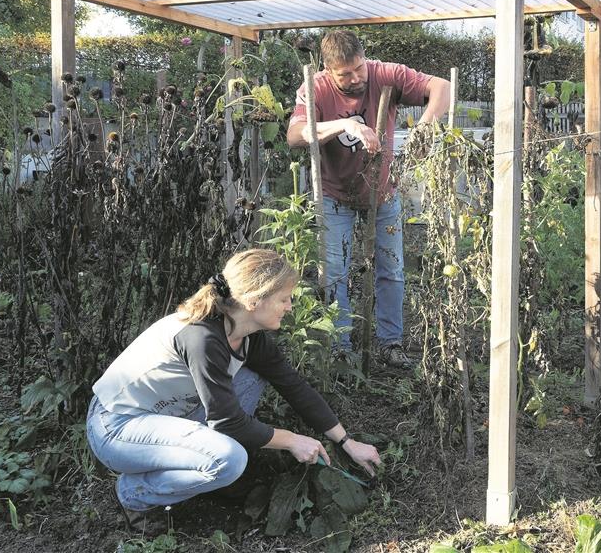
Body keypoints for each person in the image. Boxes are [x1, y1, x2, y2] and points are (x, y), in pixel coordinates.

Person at [85, 249, 382, 532]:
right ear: (255, 301)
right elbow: (227, 422)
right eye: (284, 299)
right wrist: (291, 440)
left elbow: (293, 386)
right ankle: (136, 494)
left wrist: (346, 442)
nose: (290, 306)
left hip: (165, 414)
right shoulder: (202, 338)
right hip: (116, 427)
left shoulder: (246, 335)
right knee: (229, 459)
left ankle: (203, 470)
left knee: (252, 377)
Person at [286, 30, 451, 369]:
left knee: (391, 270)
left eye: (358, 68)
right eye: (344, 74)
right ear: (328, 70)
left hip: (384, 193)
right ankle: (340, 349)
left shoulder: (384, 73)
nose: (355, 78)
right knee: (334, 273)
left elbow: (441, 87)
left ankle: (391, 344)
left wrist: (424, 127)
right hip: (334, 196)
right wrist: (345, 124)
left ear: (364, 58)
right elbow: (296, 134)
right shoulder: (314, 87)